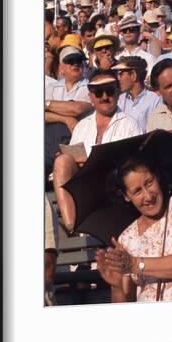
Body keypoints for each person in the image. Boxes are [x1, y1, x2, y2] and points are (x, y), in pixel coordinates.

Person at [96, 156, 172, 302]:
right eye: (137, 191)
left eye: (149, 182)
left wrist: (135, 264)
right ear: (126, 196)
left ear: (157, 176)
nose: (148, 196)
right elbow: (125, 305)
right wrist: (116, 287)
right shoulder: (126, 238)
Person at [52, 70, 142, 231]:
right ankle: (72, 224)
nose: (104, 97)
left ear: (117, 92)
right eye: (99, 92)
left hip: (115, 189)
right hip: (85, 189)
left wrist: (94, 163)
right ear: (91, 97)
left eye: (110, 91)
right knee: (62, 161)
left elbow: (134, 166)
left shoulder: (130, 125)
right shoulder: (82, 126)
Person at [45, 44, 93, 175]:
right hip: (51, 139)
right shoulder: (51, 87)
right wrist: (65, 118)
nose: (75, 64)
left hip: (76, 139)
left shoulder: (89, 86)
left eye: (78, 61)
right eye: (70, 61)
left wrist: (46, 105)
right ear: (61, 68)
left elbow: (76, 109)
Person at [112, 57, 161, 132]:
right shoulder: (119, 100)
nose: (118, 78)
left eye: (120, 74)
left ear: (133, 75)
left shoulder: (155, 101)